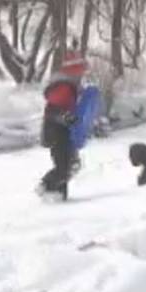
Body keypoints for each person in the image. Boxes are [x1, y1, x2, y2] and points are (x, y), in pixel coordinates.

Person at [37, 42, 87, 201]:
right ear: (74, 70)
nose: (82, 74)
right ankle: (46, 186)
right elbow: (52, 110)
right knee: (65, 166)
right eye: (80, 70)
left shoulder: (71, 86)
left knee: (71, 163)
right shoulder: (64, 87)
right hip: (56, 131)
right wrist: (66, 117)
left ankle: (58, 195)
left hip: (65, 130)